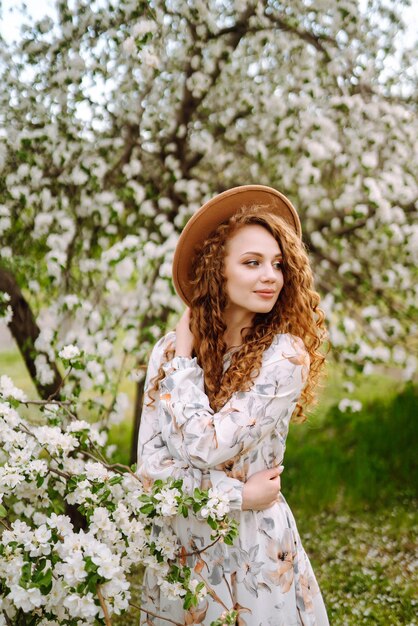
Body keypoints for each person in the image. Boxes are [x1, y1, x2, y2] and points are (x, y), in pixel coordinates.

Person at [137, 185, 329, 625]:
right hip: (180, 550)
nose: (271, 276)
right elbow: (149, 471)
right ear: (215, 272)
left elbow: (207, 446)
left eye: (278, 265)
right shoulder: (170, 350)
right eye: (251, 263)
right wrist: (239, 493)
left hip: (252, 551)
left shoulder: (284, 356)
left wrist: (182, 367)